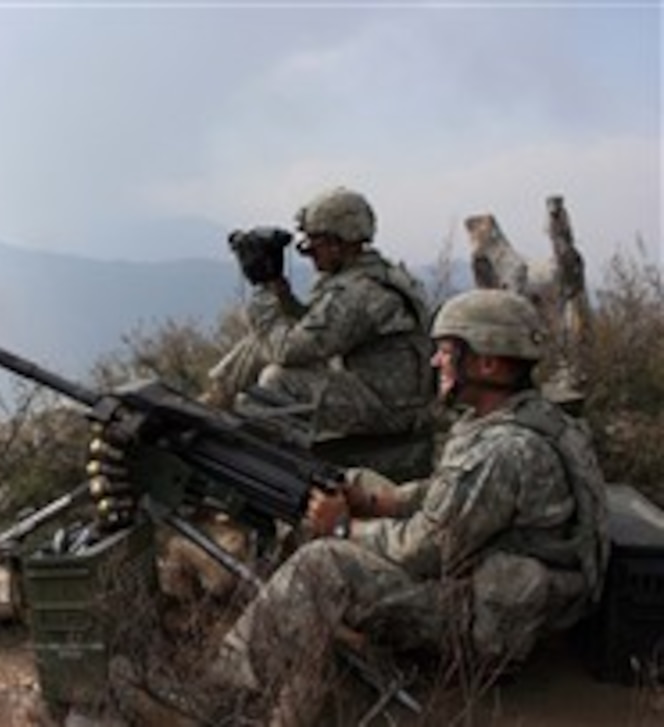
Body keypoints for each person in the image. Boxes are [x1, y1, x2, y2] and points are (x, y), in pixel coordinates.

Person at [206, 288, 610, 724]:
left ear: (487, 363)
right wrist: (384, 500)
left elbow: (424, 549)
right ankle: (291, 622)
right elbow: (452, 494)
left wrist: (343, 528)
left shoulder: (502, 451)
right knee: (354, 482)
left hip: (486, 619)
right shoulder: (529, 417)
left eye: (446, 352)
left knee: (323, 565)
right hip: (513, 584)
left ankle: (220, 692)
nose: (435, 362)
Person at [205, 186, 433, 444]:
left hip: (388, 411)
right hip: (384, 395)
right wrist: (281, 294)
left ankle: (265, 458)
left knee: (278, 379)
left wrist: (264, 300)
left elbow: (289, 350)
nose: (309, 251)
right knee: (258, 344)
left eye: (315, 243)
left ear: (338, 243)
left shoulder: (360, 293)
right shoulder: (370, 273)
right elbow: (315, 325)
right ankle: (211, 405)